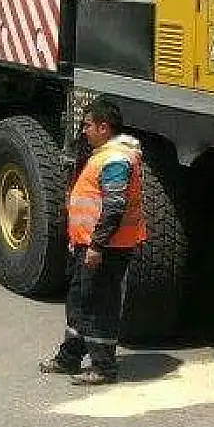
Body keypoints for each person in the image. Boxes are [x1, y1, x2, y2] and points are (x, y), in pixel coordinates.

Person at [40, 98, 148, 385]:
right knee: (79, 301)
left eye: (88, 125)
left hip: (106, 249)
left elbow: (114, 207)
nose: (84, 131)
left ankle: (104, 368)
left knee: (98, 305)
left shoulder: (116, 160)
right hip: (88, 245)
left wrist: (97, 246)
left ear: (104, 127)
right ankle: (69, 358)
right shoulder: (104, 155)